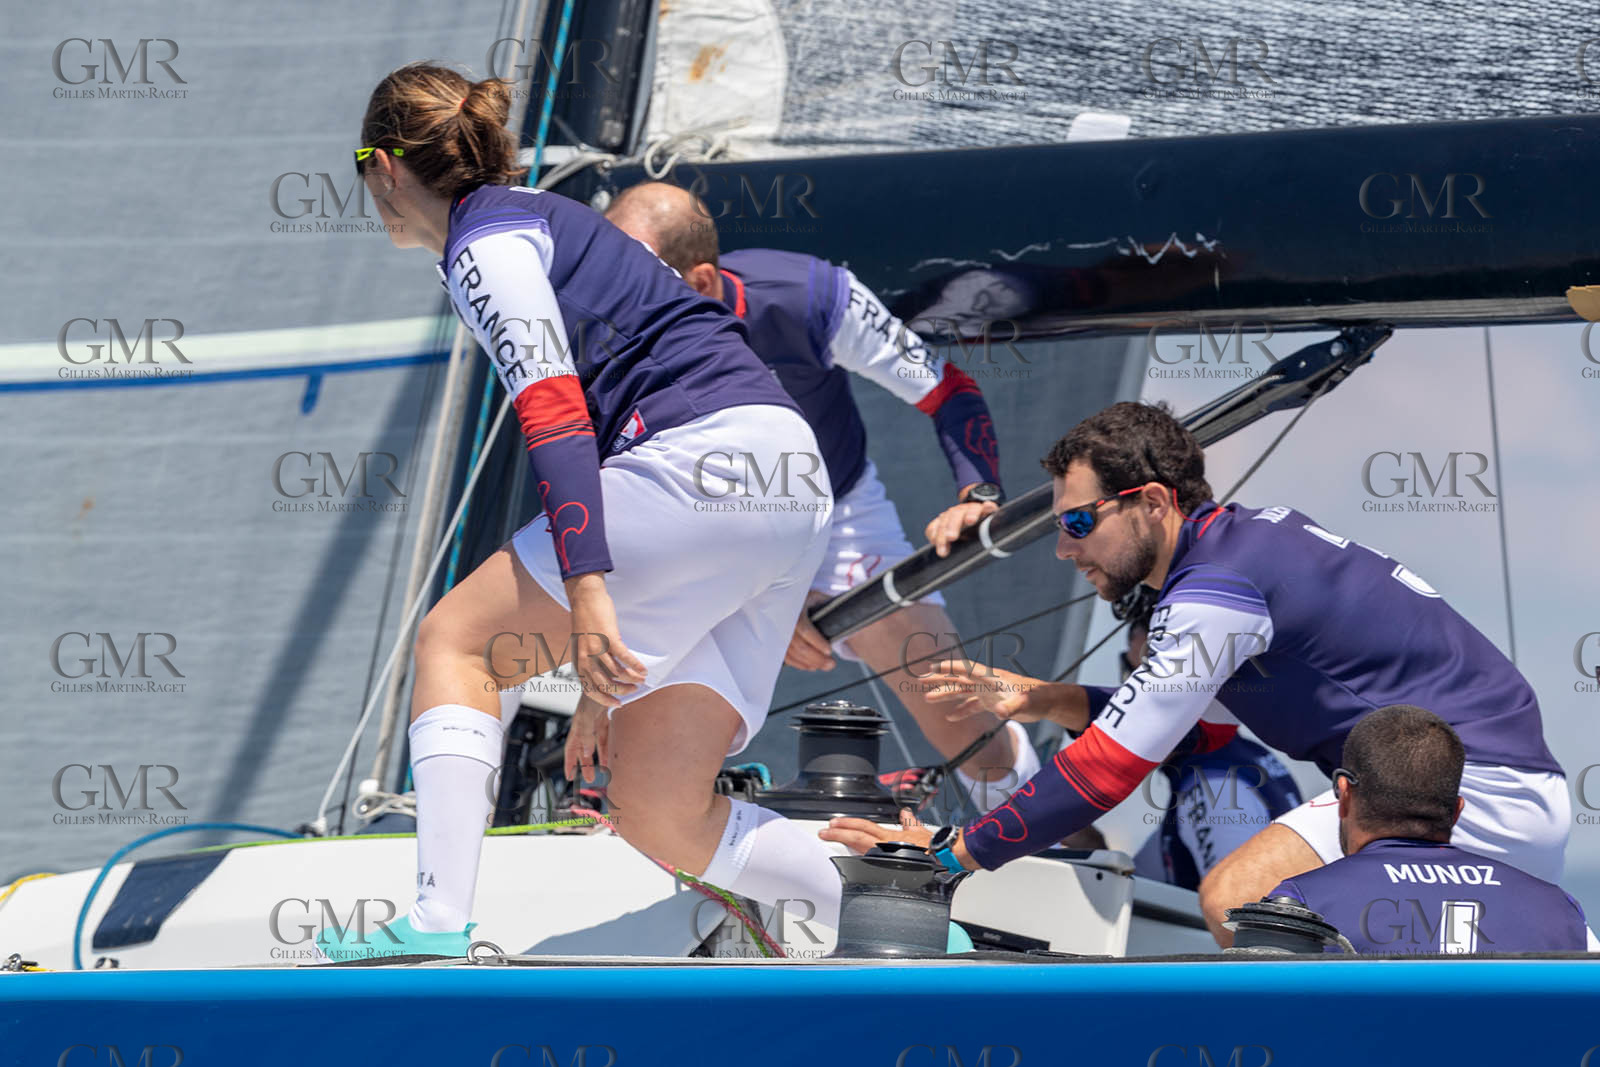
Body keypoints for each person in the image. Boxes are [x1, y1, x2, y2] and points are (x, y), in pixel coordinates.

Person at [320, 64, 845, 958]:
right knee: (655, 804)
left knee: (460, 642)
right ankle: (883, 918)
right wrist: (610, 649)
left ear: (385, 169)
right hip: (785, 481)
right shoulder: (542, 221)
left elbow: (555, 409)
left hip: (698, 467)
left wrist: (590, 592)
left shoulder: (484, 246)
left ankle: (437, 926)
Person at [822, 401, 1569, 947]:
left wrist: (953, 855)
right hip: (1491, 779)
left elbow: (1112, 765)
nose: (1064, 548)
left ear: (1150, 502)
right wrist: (1045, 698)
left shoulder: (1214, 594)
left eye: (1079, 523)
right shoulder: (1241, 545)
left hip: (1470, 793)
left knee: (1238, 899)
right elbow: (1192, 726)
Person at [601, 181, 1039, 814]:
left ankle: (1060, 836)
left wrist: (979, 494)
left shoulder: (811, 299)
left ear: (700, 282)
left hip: (839, 511)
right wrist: (761, 592)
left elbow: (947, 390)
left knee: (958, 715)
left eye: (634, 278)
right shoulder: (603, 331)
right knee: (661, 742)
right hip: (701, 530)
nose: (611, 296)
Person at [1269, 705, 1596, 954]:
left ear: (1344, 793)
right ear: (1456, 811)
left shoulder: (1301, 905)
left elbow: (1270, 1023)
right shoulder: (1559, 911)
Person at [1118, 615, 1303, 889]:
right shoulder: (1238, 756)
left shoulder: (1212, 786)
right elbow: (1139, 881)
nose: (1128, 699)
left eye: (1146, 680)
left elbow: (1238, 904)